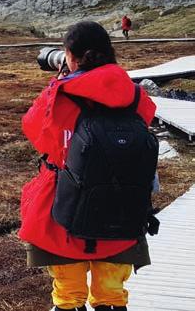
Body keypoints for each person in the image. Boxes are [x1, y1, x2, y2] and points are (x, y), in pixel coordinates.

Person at [19, 21, 156, 311]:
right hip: (123, 212)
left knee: (68, 294)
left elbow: (34, 131)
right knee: (111, 294)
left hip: (64, 214)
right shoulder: (134, 96)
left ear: (70, 55)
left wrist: (58, 84)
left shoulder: (60, 95)